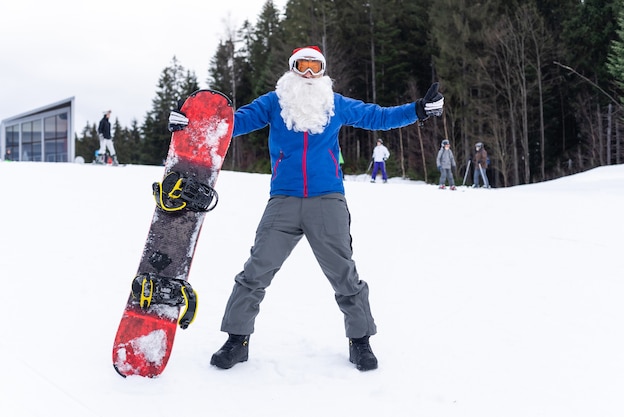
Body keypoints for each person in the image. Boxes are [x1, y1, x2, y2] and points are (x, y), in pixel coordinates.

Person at [168, 45, 444, 371]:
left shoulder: (335, 104)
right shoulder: (274, 103)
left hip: (328, 200)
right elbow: (233, 124)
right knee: (255, 272)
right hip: (283, 201)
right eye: (303, 66)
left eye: (316, 66)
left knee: (344, 275)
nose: (309, 73)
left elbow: (378, 117)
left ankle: (360, 342)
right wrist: (192, 122)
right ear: (292, 69)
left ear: (324, 72)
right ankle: (236, 340)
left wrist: (419, 109)